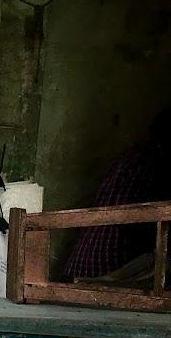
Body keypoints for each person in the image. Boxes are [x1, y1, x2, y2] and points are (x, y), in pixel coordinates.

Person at [62, 109, 171, 280]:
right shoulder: (154, 163)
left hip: (80, 266)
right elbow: (139, 227)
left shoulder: (132, 157)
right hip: (106, 269)